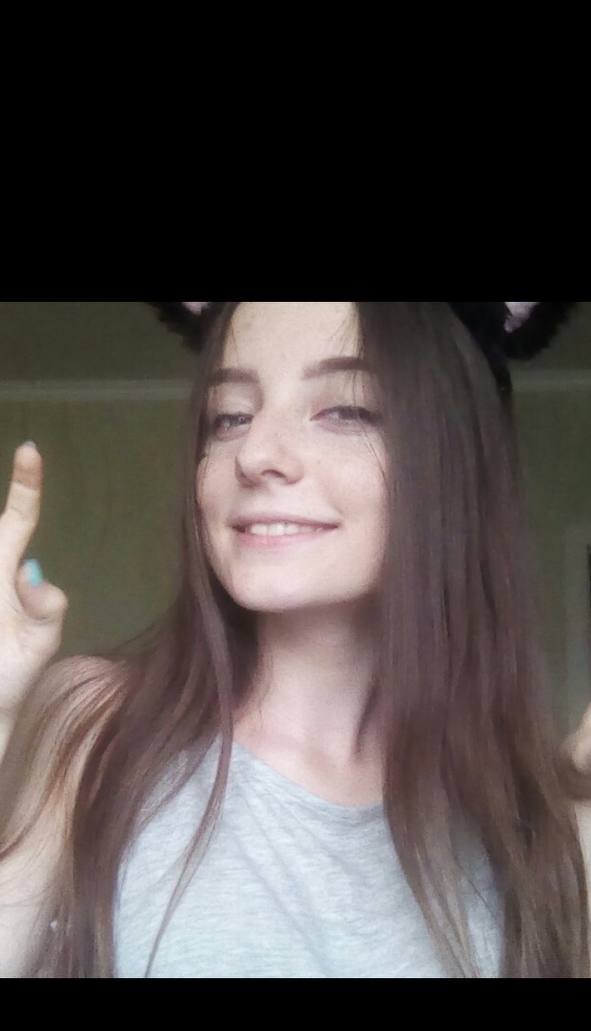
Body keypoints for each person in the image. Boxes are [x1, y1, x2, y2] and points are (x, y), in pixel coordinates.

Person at [1, 300, 590, 979]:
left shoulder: (544, 830)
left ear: (454, 461)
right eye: (230, 417)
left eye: (345, 410)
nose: (254, 455)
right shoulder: (95, 729)